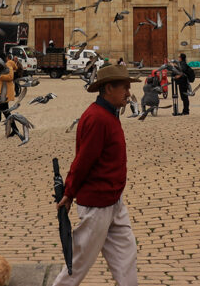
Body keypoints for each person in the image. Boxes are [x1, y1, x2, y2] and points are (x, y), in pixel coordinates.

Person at [51, 64, 140, 286]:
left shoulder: (109, 113)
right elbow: (83, 161)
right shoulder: (97, 118)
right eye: (125, 88)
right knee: (78, 262)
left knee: (127, 253)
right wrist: (69, 193)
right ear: (109, 88)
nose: (128, 93)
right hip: (98, 204)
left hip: (113, 200)